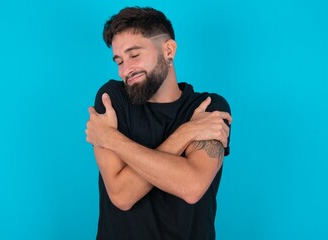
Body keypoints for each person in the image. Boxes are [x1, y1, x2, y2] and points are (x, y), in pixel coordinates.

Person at [85, 6, 232, 240]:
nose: (126, 70)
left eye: (134, 55)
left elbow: (192, 186)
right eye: (119, 61)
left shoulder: (209, 107)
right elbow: (121, 195)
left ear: (168, 49)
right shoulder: (111, 99)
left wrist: (111, 138)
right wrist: (187, 133)